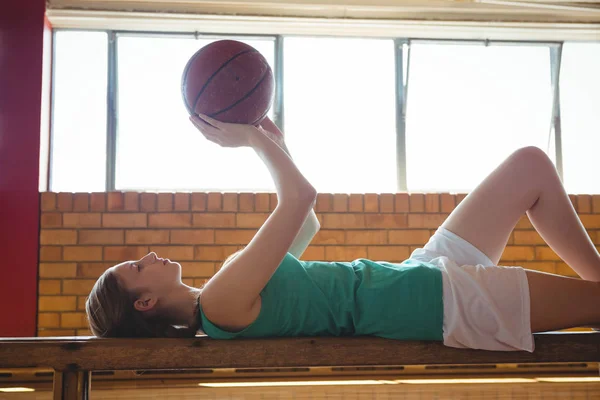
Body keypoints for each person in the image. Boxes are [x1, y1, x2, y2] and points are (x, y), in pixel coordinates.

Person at [86, 114, 600, 352]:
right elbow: (301, 198)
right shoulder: (221, 303)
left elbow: (306, 222)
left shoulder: (225, 289)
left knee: (529, 165)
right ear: (145, 303)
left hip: (414, 275)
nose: (147, 256)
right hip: (435, 302)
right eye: (136, 268)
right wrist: (249, 142)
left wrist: (275, 145)